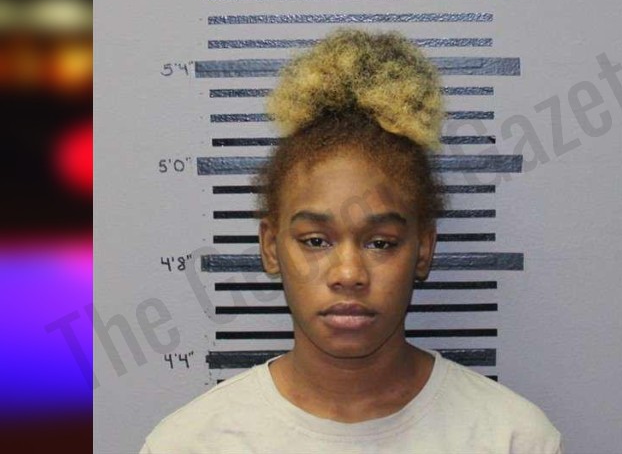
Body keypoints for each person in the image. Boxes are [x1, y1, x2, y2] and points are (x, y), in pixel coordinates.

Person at [140, 29, 563, 453]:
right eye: (315, 241)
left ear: (423, 249)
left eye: (380, 243)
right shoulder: (190, 443)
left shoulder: (511, 437)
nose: (348, 274)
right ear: (270, 247)